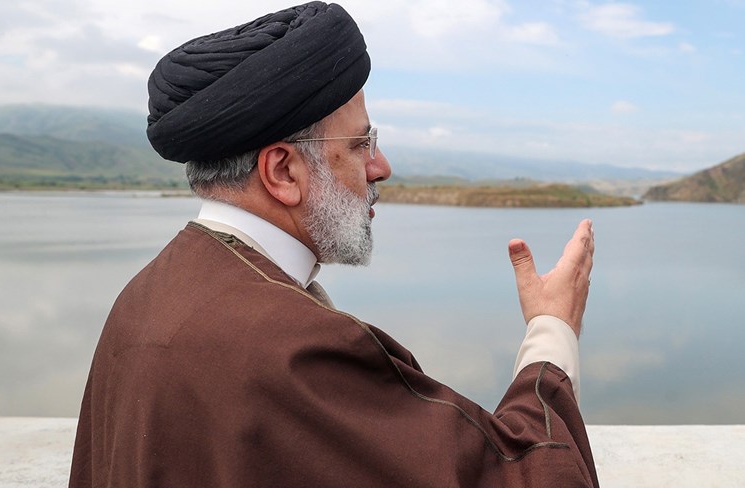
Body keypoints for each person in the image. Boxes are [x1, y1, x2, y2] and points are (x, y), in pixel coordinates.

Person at [69, 2, 599, 487]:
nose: (381, 167)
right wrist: (552, 330)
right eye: (360, 143)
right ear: (283, 170)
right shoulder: (295, 350)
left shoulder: (141, 298)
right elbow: (522, 477)